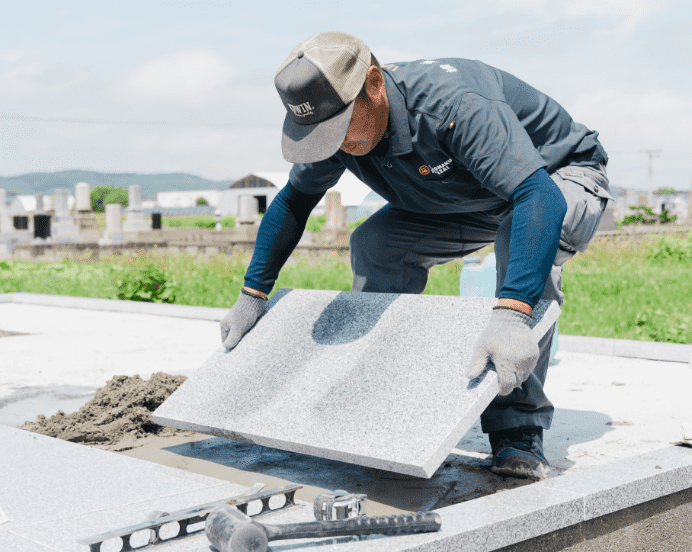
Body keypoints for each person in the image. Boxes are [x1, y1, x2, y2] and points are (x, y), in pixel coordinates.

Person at [220, 31, 612, 480]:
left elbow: (537, 197)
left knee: (520, 250)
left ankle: (517, 429)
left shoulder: (453, 104)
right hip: (470, 197)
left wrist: (511, 315)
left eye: (340, 128)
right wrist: (253, 293)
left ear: (372, 85)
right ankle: (381, 396)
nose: (335, 143)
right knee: (376, 244)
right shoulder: (339, 130)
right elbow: (293, 201)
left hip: (558, 179)